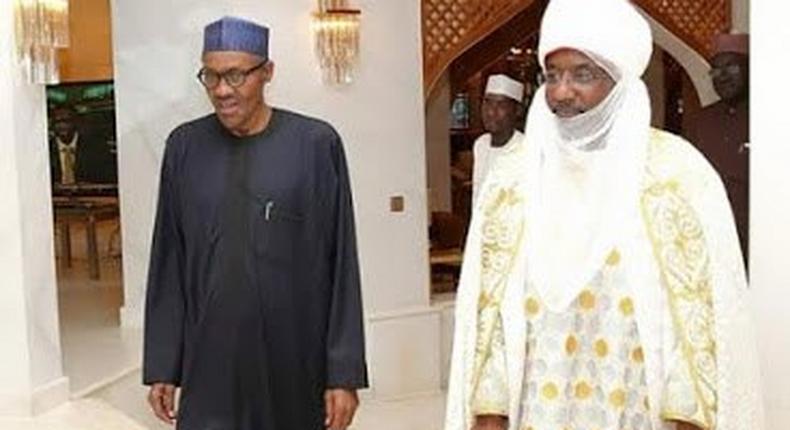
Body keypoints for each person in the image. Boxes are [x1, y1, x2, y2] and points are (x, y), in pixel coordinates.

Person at [444, 1, 763, 430]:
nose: (560, 92)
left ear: (621, 82)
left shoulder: (676, 176)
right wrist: (489, 412)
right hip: (537, 411)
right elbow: (491, 325)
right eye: (552, 74)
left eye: (583, 74)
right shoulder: (512, 183)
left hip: (635, 411)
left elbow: (700, 328)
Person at [143, 16, 368, 430]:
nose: (222, 90)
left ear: (267, 72)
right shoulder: (184, 148)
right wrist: (163, 363)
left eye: (235, 75)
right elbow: (168, 261)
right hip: (209, 363)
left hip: (293, 364)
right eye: (210, 75)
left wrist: (343, 373)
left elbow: (341, 267)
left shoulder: (316, 145)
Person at [685, 33, 750, 267]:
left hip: (761, 242)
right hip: (712, 241)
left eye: (731, 67)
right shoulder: (702, 119)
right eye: (715, 70)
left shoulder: (770, 117)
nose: (721, 76)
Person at [471, 74, 525, 204]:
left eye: (500, 105)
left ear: (517, 111)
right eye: (487, 103)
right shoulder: (480, 145)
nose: (491, 112)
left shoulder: (526, 149)